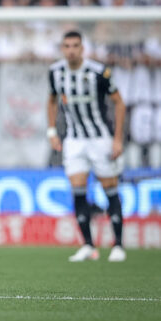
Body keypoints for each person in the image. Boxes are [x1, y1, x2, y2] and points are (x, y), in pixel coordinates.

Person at [47, 31, 127, 262]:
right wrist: (52, 131)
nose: (71, 50)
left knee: (109, 187)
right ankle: (88, 246)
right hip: (73, 140)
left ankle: (118, 245)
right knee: (78, 187)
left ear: (82, 49)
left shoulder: (99, 72)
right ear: (62, 49)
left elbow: (119, 103)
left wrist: (118, 138)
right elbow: (52, 100)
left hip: (100, 138)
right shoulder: (56, 72)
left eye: (75, 46)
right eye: (67, 46)